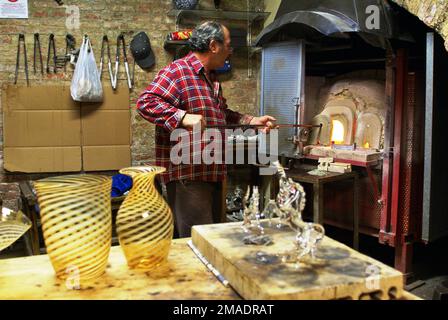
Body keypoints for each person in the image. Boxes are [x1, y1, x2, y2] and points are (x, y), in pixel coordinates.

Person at [136, 21, 275, 237]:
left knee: (213, 239)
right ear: (213, 46)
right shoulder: (178, 71)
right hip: (188, 176)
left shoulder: (211, 78)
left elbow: (221, 114)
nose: (230, 51)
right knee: (197, 242)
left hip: (211, 171)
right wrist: (182, 116)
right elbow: (146, 103)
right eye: (228, 45)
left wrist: (251, 120)